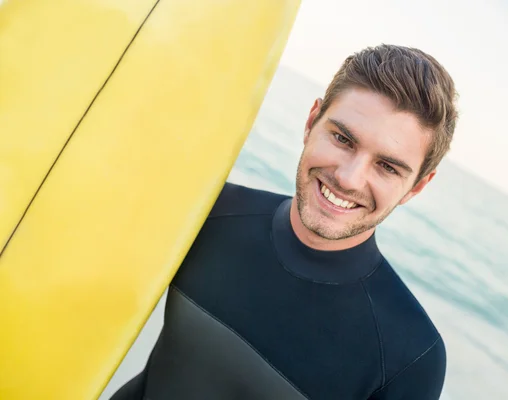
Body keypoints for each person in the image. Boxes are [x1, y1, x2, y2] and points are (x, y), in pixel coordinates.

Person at [111, 44, 458, 400]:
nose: (350, 178)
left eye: (387, 166)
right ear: (311, 122)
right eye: (342, 139)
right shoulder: (208, 212)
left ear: (416, 186)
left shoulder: (411, 354)